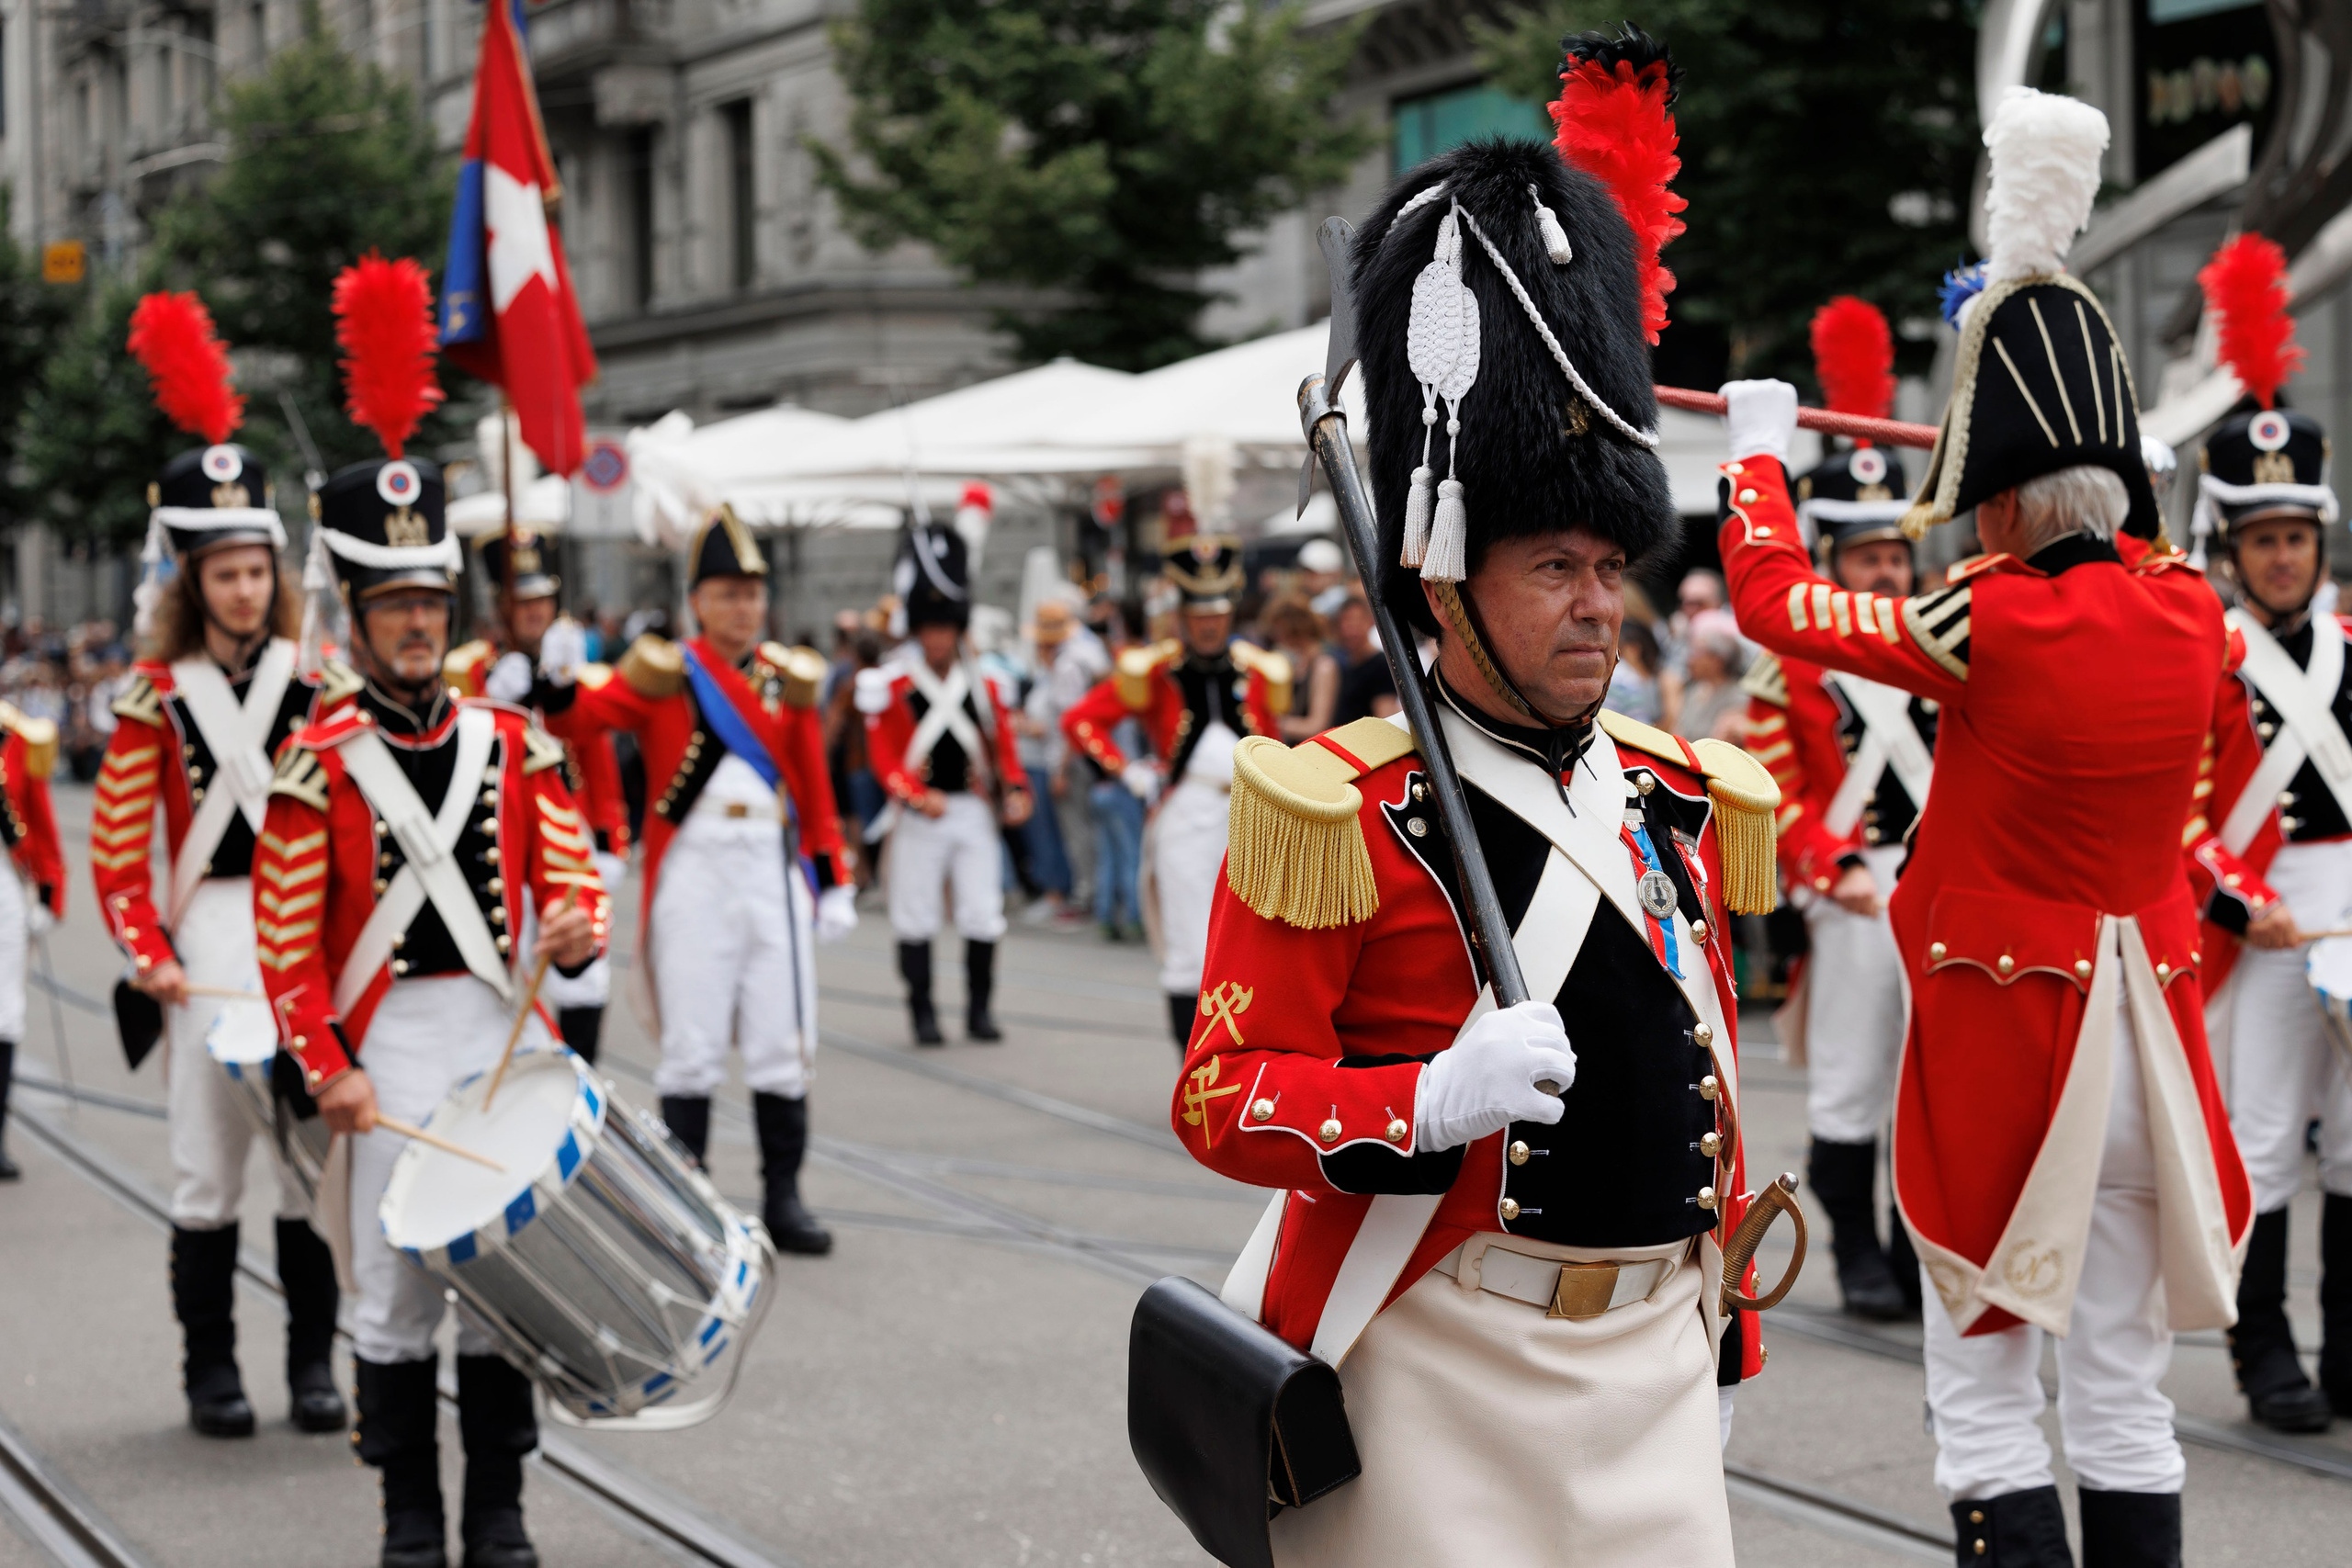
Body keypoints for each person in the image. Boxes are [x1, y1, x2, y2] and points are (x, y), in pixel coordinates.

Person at [1166, 92, 1783, 1567]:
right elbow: (1218, 1094)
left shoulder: (1668, 782)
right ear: (1443, 584)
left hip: (1653, 1366)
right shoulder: (1341, 804)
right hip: (1439, 1359)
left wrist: (1727, 1325)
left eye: (1610, 563)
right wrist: (1423, 1102)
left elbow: (1705, 1064)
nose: (1597, 603)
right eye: (1554, 564)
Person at [1713, 88, 2252, 1565]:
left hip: (2015, 1035)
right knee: (2130, 1398)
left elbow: (1773, 605)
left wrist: (1757, 462)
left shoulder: (1984, 616)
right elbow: (2126, 535)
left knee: (1989, 1395)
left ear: (1999, 504)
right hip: (2154, 1032)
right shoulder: (2190, 606)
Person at [259, 379, 605, 1568]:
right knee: (397, 1303)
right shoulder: (315, 766)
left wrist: (574, 931)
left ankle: (498, 1510)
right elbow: (285, 948)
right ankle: (409, 1515)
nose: (415, 622)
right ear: (353, 615)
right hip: (390, 1056)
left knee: (506, 1291)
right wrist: (329, 1070)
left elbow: (577, 885)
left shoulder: (518, 745)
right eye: (392, 602)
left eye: (428, 600)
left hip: (503, 1041)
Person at [91, 297, 337, 1436]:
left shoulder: (319, 689)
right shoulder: (152, 700)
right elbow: (116, 852)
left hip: (299, 953)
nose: (242, 590)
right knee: (206, 1176)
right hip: (203, 953)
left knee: (307, 1174)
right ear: (190, 581)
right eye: (221, 573)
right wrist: (149, 956)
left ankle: (313, 1372)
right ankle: (211, 1373)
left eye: (254, 571)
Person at [562, 506, 853, 1256]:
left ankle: (783, 1196)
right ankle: (686, 1197)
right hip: (692, 871)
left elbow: (814, 790)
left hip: (768, 870)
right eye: (727, 593)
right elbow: (583, 721)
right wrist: (554, 675)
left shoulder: (786, 682)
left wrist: (833, 875)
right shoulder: (664, 675)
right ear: (698, 601)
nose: (743, 607)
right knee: (690, 1043)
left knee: (782, 1039)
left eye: (752, 594)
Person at [2180, 378, 2352, 1432]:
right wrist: (2244, 908)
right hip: (2266, 917)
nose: (2281, 555)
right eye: (2262, 539)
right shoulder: (2201, 652)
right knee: (2261, 1141)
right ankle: (2263, 1356)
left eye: (2295, 535)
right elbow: (2174, 814)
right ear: (2230, 548)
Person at [1740, 397, 1936, 1322]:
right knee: (1857, 1073)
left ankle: (1910, 1243)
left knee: (1930, 1080)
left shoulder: (1940, 645)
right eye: (1867, 556)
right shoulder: (1791, 666)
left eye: (1894, 554)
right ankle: (1856, 1248)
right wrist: (1833, 871)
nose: (1886, 569)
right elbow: (1776, 790)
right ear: (1830, 560)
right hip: (1854, 886)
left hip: (1940, 888)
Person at [1061, 535, 1288, 1045]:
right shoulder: (1156, 670)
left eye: (1218, 611)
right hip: (1187, 814)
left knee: (1260, 947)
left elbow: (1273, 740)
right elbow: (1080, 721)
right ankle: (1194, 1081)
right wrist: (1128, 771)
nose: (1209, 623)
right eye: (1199, 612)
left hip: (1254, 815)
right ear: (1183, 614)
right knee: (1189, 947)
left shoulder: (1256, 669)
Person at [444, 523, 628, 1064]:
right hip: (500, 839)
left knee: (586, 974)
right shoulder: (470, 669)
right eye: (521, 600)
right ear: (499, 604)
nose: (533, 612)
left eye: (543, 599)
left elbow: (594, 753)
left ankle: (579, 1074)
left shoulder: (571, 665)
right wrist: (492, 694)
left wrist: (611, 837)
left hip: (568, 838)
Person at [861, 517, 1031, 1043]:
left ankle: (980, 1012)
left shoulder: (986, 685)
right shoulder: (890, 683)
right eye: (930, 628)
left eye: (945, 628)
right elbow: (884, 758)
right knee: (915, 916)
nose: (937, 638)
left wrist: (1018, 789)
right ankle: (924, 1014)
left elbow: (1002, 747)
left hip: (972, 809)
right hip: (919, 815)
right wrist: (915, 796)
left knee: (982, 912)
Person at [0, 682, 61, 1187]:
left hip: (3, 885)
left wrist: (48, 892)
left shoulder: (15, 735)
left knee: (3, 1013)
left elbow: (37, 817)